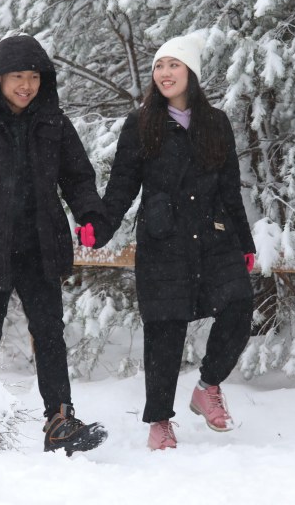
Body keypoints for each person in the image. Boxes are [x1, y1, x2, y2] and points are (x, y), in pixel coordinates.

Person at [0, 34, 108, 456]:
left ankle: (60, 421)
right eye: (17, 77)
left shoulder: (54, 125)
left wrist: (91, 216)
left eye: (33, 77)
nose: (26, 85)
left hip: (40, 248)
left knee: (49, 333)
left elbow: (79, 178)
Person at [84, 35, 256, 451]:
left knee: (239, 306)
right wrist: (99, 226)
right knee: (165, 329)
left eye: (173, 65)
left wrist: (244, 241)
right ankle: (160, 421)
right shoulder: (141, 124)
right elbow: (122, 185)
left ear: (191, 73)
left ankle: (208, 386)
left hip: (214, 238)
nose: (164, 73)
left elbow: (230, 189)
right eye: (159, 66)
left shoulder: (215, 123)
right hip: (163, 241)